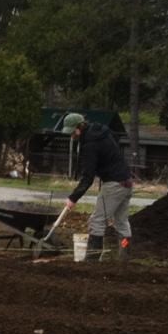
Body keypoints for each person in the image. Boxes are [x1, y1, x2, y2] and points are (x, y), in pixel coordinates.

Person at [61, 112, 133, 261]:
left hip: (114, 184)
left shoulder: (89, 144)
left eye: (72, 132)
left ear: (80, 127)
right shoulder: (101, 132)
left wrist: (73, 198)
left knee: (97, 221)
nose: (72, 136)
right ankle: (125, 257)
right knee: (122, 222)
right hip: (127, 181)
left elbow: (88, 177)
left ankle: (92, 260)